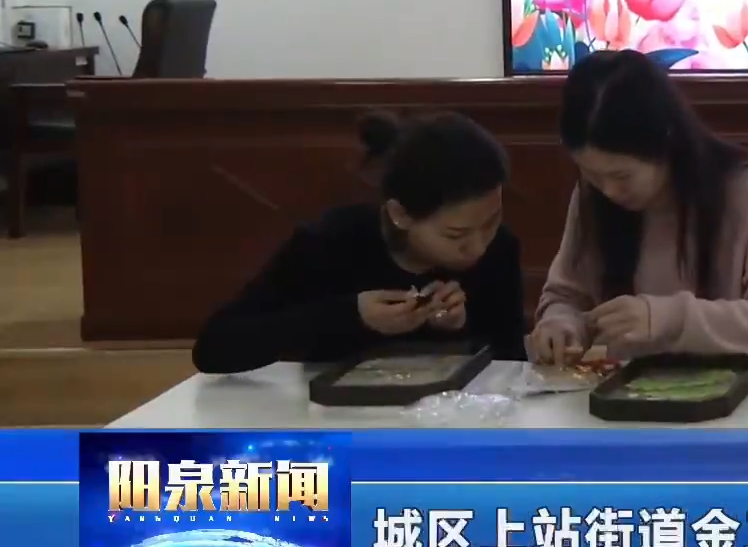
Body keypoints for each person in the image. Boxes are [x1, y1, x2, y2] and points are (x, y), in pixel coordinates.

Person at [525, 50, 748, 365]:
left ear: (666, 142)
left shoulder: (747, 189)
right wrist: (561, 324)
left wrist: (670, 320)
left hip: (737, 389)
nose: (609, 191)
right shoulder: (593, 196)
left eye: (622, 176)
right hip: (624, 388)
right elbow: (566, 296)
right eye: (592, 174)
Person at [193, 112, 527, 374]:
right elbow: (214, 349)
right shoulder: (331, 243)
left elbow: (511, 362)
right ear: (400, 214)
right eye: (456, 235)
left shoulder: (500, 248)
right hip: (330, 420)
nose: (478, 246)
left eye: (491, 221)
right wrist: (351, 315)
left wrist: (458, 328)